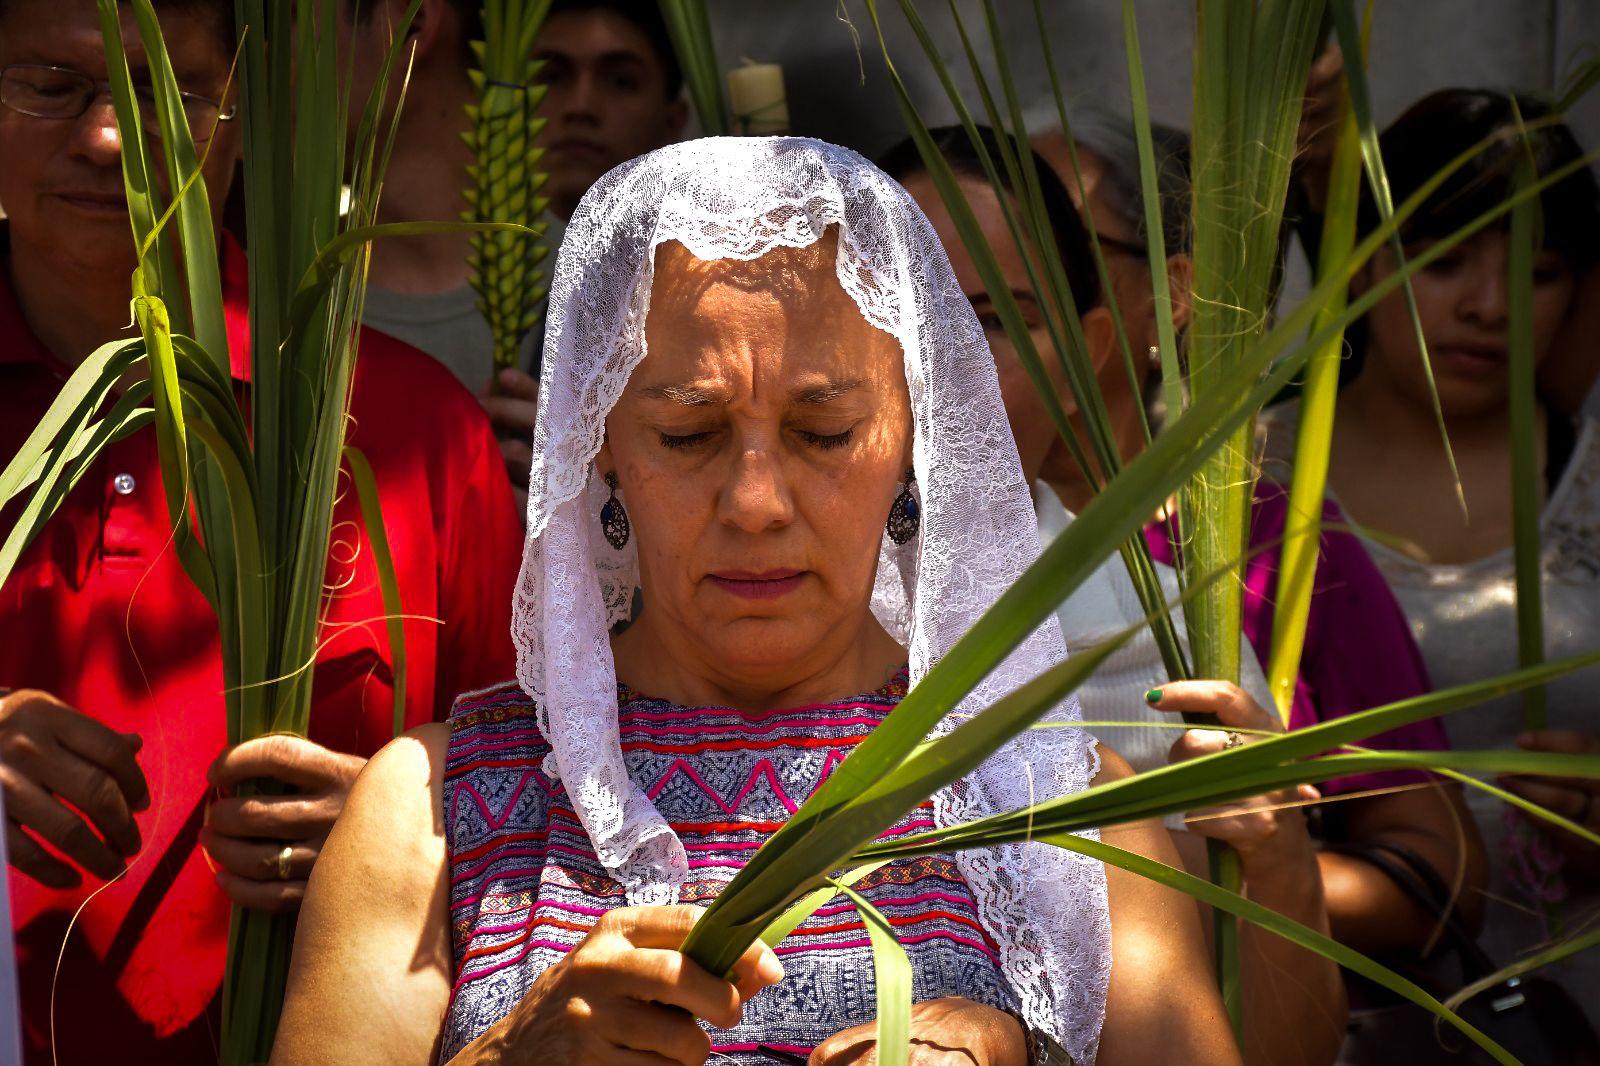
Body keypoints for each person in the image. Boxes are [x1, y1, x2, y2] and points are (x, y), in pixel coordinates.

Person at [269, 137, 1239, 1066]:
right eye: (689, 433)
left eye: (824, 431)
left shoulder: (1065, 814)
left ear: (911, 427)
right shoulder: (429, 814)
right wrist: (517, 1055)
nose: (757, 504)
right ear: (597, 437)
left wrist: (1017, 1051)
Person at [883, 124, 1493, 1065]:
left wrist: (1276, 866)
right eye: (889, 313)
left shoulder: (1156, 642)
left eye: (995, 319)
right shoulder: (673, 615)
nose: (936, 369)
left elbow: (1270, 1041)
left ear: (1082, 350)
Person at [0, 0, 523, 1059]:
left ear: (245, 116)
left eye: (173, 95)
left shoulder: (410, 428)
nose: (109, 138)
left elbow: (554, 798)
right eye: (52, 86)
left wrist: (400, 835)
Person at [1260, 88, 1600, 1030]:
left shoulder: (1590, 478)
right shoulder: (1243, 488)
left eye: (1540, 274)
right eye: (1444, 262)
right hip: (1326, 1015)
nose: (1491, 309)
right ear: (1363, 262)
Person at [340, 0, 687, 503]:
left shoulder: (650, 305)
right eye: (551, 75)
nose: (581, 106)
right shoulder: (291, 305)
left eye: (621, 81)